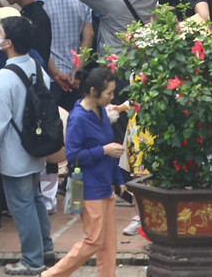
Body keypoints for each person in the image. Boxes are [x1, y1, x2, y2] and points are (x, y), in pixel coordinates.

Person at [0, 16, 55, 275]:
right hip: (35, 147)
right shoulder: (36, 65)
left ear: (8, 42)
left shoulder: (5, 75)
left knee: (22, 206)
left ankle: (33, 261)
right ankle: (45, 248)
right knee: (34, 199)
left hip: (14, 152)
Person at [43, 66, 124, 277]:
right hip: (89, 187)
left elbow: (109, 145)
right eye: (109, 93)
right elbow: (72, 156)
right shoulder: (78, 117)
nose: (112, 97)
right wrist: (103, 150)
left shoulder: (100, 112)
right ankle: (51, 275)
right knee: (94, 240)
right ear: (94, 91)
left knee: (108, 242)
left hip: (105, 184)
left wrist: (118, 179)